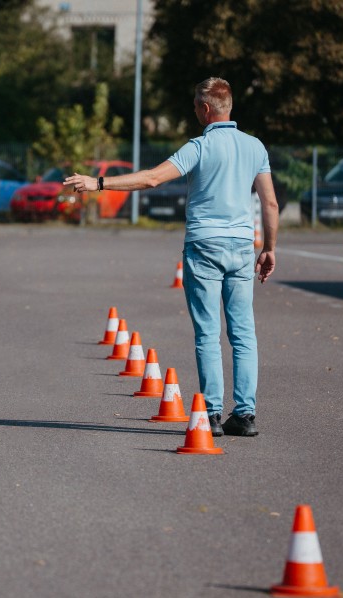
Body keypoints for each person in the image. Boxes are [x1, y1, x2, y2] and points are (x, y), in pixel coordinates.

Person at [64, 77, 278, 437]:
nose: (194, 111)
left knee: (208, 334)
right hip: (242, 247)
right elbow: (269, 203)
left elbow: (151, 179)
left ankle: (211, 414)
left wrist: (98, 183)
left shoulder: (199, 146)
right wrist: (269, 248)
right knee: (243, 334)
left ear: (206, 109)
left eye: (196, 106)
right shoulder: (255, 147)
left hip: (204, 246)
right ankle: (245, 414)